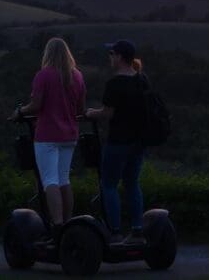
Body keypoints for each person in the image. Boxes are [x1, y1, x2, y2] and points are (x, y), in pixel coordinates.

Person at [9, 38, 86, 242]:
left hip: (47, 135)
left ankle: (57, 226)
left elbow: (36, 105)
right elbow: (80, 108)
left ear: (47, 54)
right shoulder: (77, 76)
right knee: (64, 179)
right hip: (70, 134)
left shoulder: (43, 76)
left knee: (49, 180)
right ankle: (69, 224)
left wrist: (19, 111)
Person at [85, 39, 146, 245]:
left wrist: (92, 113)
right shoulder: (142, 79)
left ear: (119, 57)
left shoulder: (114, 83)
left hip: (118, 141)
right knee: (132, 184)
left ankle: (115, 231)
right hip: (138, 141)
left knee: (109, 185)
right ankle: (137, 230)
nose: (109, 57)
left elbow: (108, 113)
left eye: (111, 54)